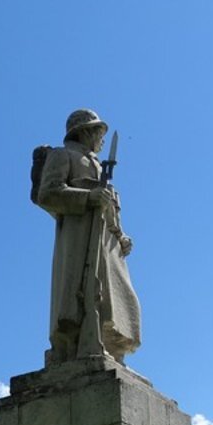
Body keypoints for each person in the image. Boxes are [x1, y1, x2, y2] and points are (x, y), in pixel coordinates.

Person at [35, 109, 141, 365]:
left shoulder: (98, 165)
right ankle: (77, 346)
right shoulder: (63, 155)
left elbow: (109, 208)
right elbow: (47, 194)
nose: (102, 140)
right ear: (84, 132)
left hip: (108, 244)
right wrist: (88, 197)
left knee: (119, 299)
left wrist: (121, 236)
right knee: (81, 295)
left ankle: (112, 348)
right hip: (80, 237)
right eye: (98, 132)